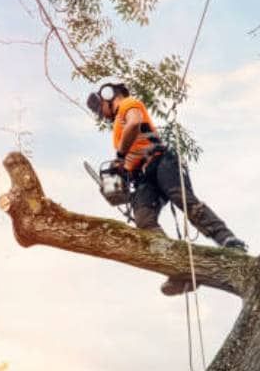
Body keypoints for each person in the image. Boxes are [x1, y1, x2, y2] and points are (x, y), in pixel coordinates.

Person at [86, 82, 247, 252]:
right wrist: (121, 173)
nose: (101, 114)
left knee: (182, 198)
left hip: (160, 161)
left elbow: (134, 124)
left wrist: (119, 156)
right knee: (143, 219)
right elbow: (131, 152)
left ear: (108, 95)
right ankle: (171, 255)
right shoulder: (117, 127)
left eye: (99, 109)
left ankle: (226, 238)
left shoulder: (128, 103)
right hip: (143, 176)